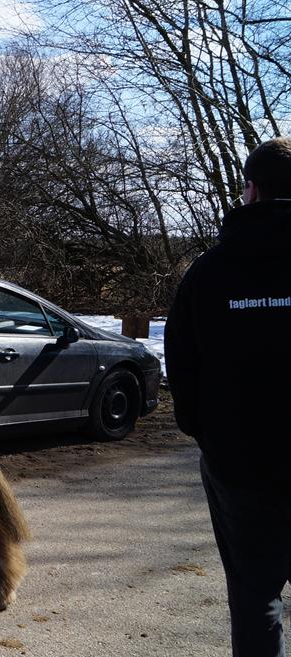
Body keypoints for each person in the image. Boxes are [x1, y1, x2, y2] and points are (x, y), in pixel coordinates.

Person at [165, 136, 291, 657]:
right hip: (240, 459)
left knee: (255, 593)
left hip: (241, 464)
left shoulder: (209, 273)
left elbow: (182, 363)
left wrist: (207, 434)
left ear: (252, 191)